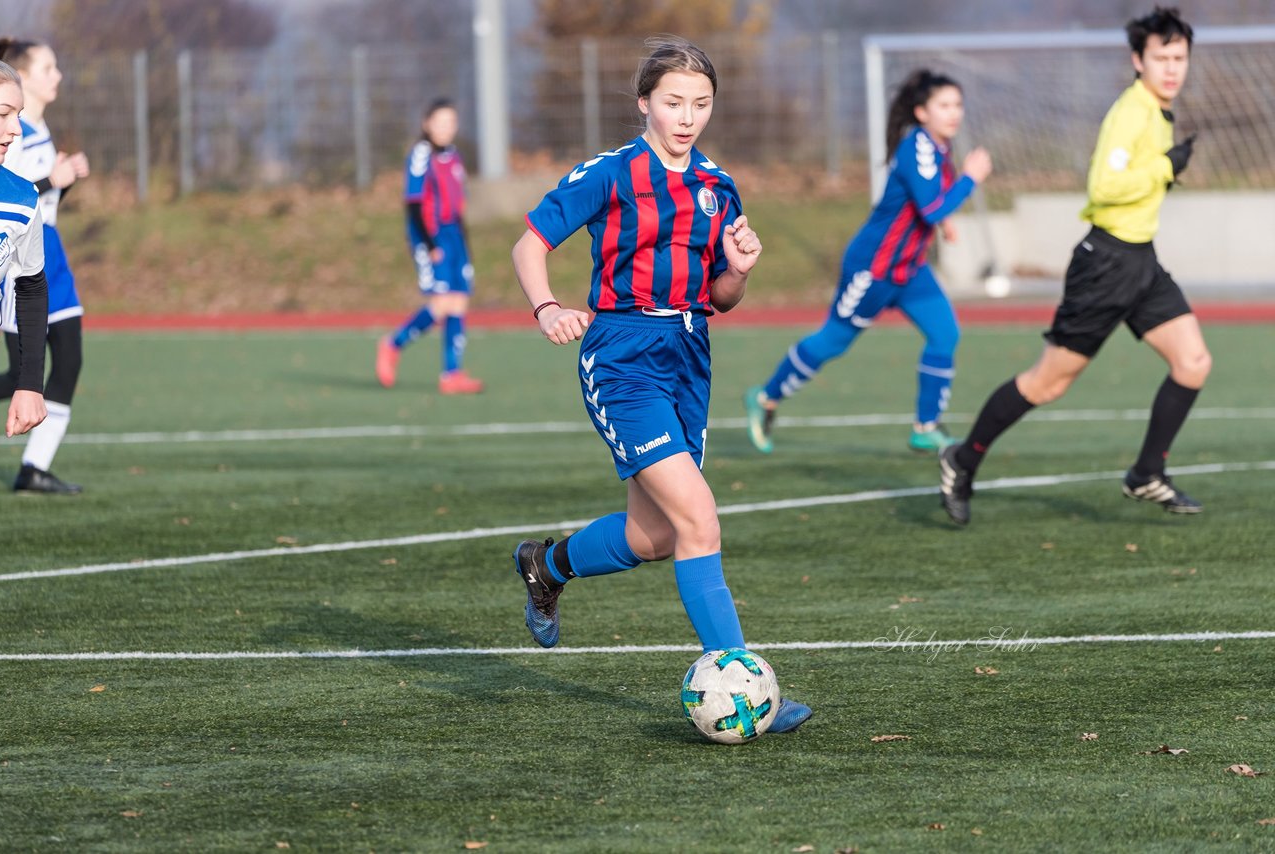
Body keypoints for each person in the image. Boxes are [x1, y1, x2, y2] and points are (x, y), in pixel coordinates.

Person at [508, 37, 811, 733]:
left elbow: (722, 297)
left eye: (701, 104)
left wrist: (738, 269)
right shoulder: (610, 174)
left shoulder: (718, 187)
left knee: (655, 538)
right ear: (645, 102)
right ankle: (740, 684)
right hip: (621, 357)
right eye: (673, 102)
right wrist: (548, 307)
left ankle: (546, 566)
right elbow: (529, 245)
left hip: (689, 353)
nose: (687, 117)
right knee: (700, 519)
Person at [939, 6, 1208, 525]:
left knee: (1193, 362)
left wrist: (1162, 170)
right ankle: (962, 458)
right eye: (1162, 57)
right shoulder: (1131, 111)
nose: (1172, 67)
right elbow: (1103, 189)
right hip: (1105, 265)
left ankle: (1147, 473)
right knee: (1047, 384)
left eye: (1180, 58)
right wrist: (1165, 166)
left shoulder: (1157, 111)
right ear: (1138, 60)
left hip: (1141, 262)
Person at [745, 69, 992, 456]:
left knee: (945, 334)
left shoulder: (940, 149)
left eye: (957, 104)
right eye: (944, 105)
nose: (954, 113)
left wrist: (946, 223)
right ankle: (765, 397)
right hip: (873, 269)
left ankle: (925, 427)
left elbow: (927, 204)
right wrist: (970, 180)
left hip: (909, 270)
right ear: (922, 112)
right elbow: (929, 207)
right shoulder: (919, 148)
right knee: (833, 342)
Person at [0, 38, 86, 492]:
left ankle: (35, 466)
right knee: (16, 372)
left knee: (66, 360)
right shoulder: (16, 138)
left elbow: (30, 203)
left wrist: (60, 182)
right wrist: (55, 177)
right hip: (27, 257)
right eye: (48, 67)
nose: (58, 76)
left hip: (49, 255)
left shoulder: (28, 142)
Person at [375, 98, 483, 395]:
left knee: (459, 301)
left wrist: (464, 244)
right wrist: (428, 242)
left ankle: (452, 374)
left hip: (454, 235)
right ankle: (392, 344)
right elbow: (413, 202)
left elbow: (458, 205)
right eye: (441, 122)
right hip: (430, 235)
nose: (447, 128)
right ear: (427, 124)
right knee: (441, 304)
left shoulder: (455, 156)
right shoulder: (421, 154)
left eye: (452, 122)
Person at [0, 57, 49, 441]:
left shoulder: (21, 198)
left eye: (19, 114)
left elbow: (30, 287)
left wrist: (30, 384)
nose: (15, 129)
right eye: (3, 114)